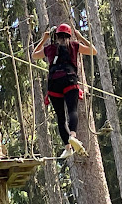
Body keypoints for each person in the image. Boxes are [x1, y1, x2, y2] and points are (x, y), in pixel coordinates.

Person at [32, 23, 97, 158]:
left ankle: (68, 148)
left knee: (61, 118)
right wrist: (80, 37)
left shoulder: (50, 48)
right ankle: (72, 135)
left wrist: (44, 39)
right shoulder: (74, 46)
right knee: (72, 110)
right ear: (69, 36)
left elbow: (34, 55)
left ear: (56, 36)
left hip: (54, 84)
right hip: (69, 81)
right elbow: (94, 51)